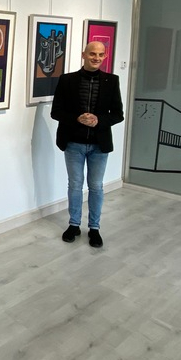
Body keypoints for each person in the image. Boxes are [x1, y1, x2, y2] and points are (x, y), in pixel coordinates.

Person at [51, 41, 124, 247]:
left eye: (101, 55)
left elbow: (118, 114)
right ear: (84, 54)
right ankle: (74, 225)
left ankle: (94, 228)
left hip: (99, 145)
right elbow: (56, 111)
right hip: (73, 142)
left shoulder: (112, 81)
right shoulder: (67, 80)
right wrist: (77, 118)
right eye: (93, 54)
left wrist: (99, 120)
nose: (97, 58)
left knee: (96, 186)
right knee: (75, 185)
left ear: (105, 56)